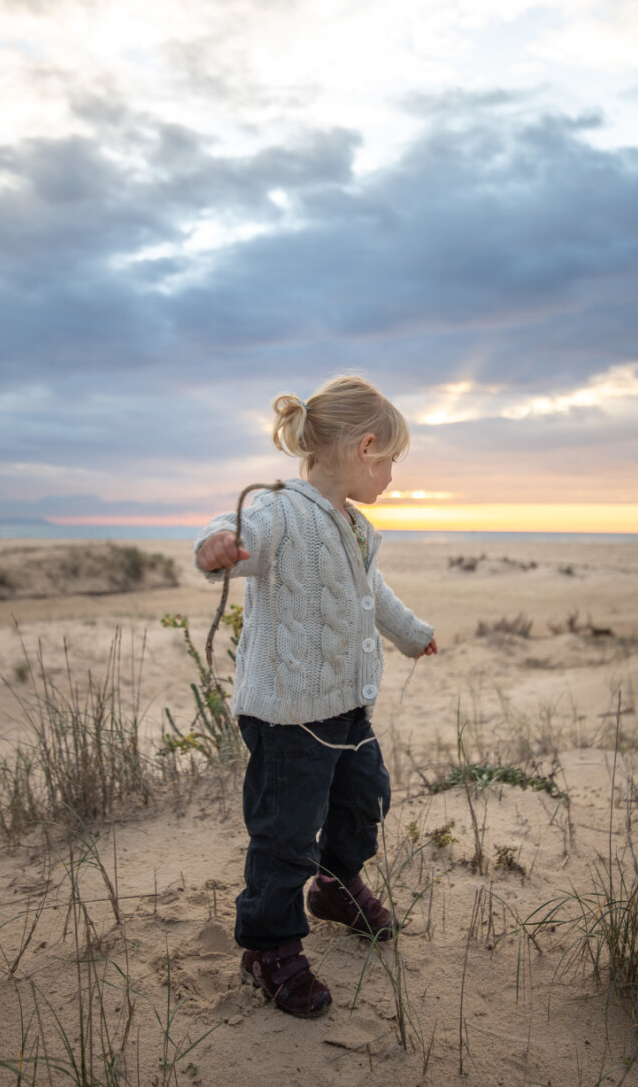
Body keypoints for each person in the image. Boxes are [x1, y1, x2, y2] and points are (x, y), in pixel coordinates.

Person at [194, 375, 438, 1018]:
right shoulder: (282, 509)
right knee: (284, 833)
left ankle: (335, 885)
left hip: (347, 705)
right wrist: (218, 548)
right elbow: (234, 529)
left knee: (365, 798)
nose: (391, 476)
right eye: (390, 461)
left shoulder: (355, 525)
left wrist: (412, 635)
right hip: (286, 716)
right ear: (364, 447)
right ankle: (269, 946)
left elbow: (373, 594)